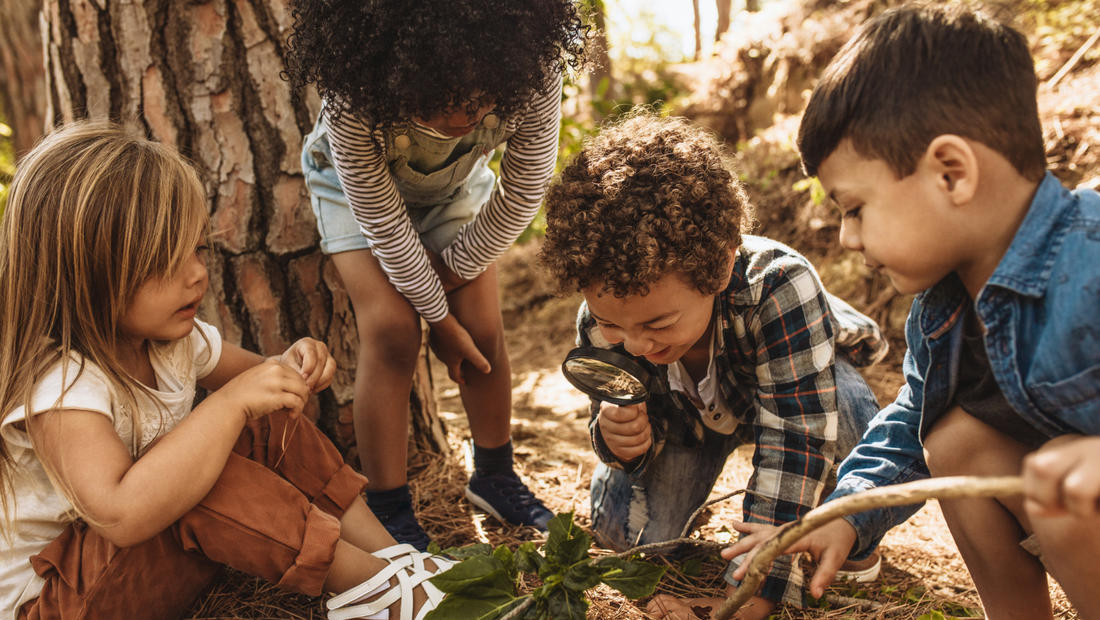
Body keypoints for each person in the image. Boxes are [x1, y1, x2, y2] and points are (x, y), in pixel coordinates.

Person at [723, 5, 1100, 620]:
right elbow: (906, 428)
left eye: (855, 208)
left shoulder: (1090, 259)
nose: (846, 238)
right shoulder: (941, 312)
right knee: (953, 441)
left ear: (951, 174)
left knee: (1061, 473)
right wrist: (841, 518)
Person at [0, 123, 453, 620]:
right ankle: (379, 593)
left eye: (197, 249)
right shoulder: (62, 385)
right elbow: (121, 515)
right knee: (202, 474)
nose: (197, 273)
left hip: (138, 569)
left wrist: (293, 364)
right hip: (59, 602)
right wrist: (229, 404)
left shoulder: (172, 342)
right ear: (85, 273)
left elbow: (265, 382)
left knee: (261, 421)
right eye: (165, 260)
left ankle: (394, 561)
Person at [537, 110, 890, 620]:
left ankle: (850, 539)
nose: (634, 345)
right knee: (628, 540)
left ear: (721, 266)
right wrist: (619, 442)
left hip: (789, 392)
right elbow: (617, 420)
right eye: (614, 324)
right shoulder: (604, 322)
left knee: (851, 413)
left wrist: (748, 597)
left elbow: (796, 436)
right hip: (690, 424)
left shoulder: (780, 286)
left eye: (658, 323)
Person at [283, 0, 588, 549]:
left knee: (484, 327)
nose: (461, 121)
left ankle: (496, 477)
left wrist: (449, 285)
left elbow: (522, 193)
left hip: (454, 190)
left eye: (478, 103)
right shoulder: (355, 93)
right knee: (393, 330)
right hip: (355, 196)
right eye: (435, 103)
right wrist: (438, 323)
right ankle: (390, 507)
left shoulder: (532, 68)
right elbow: (381, 220)